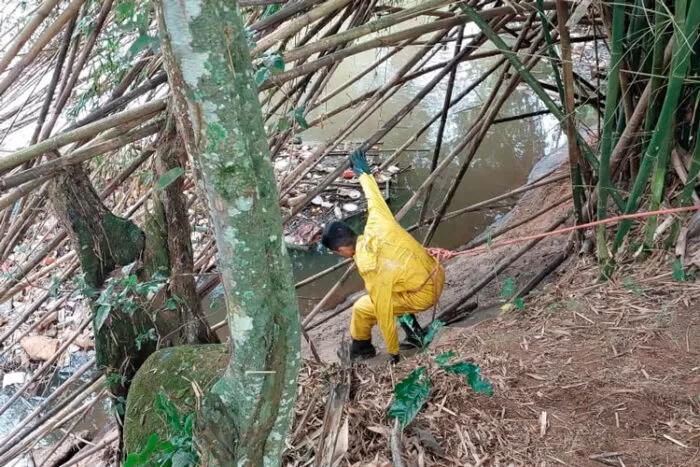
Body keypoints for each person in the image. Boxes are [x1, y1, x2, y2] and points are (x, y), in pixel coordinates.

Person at [321, 149, 445, 364]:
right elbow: (373, 196)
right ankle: (415, 334)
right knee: (395, 290)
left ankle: (362, 349)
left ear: (341, 250)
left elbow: (383, 311)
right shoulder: (378, 222)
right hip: (435, 273)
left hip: (425, 293)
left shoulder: (368, 265)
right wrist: (362, 172)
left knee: (362, 307)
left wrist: (393, 352)